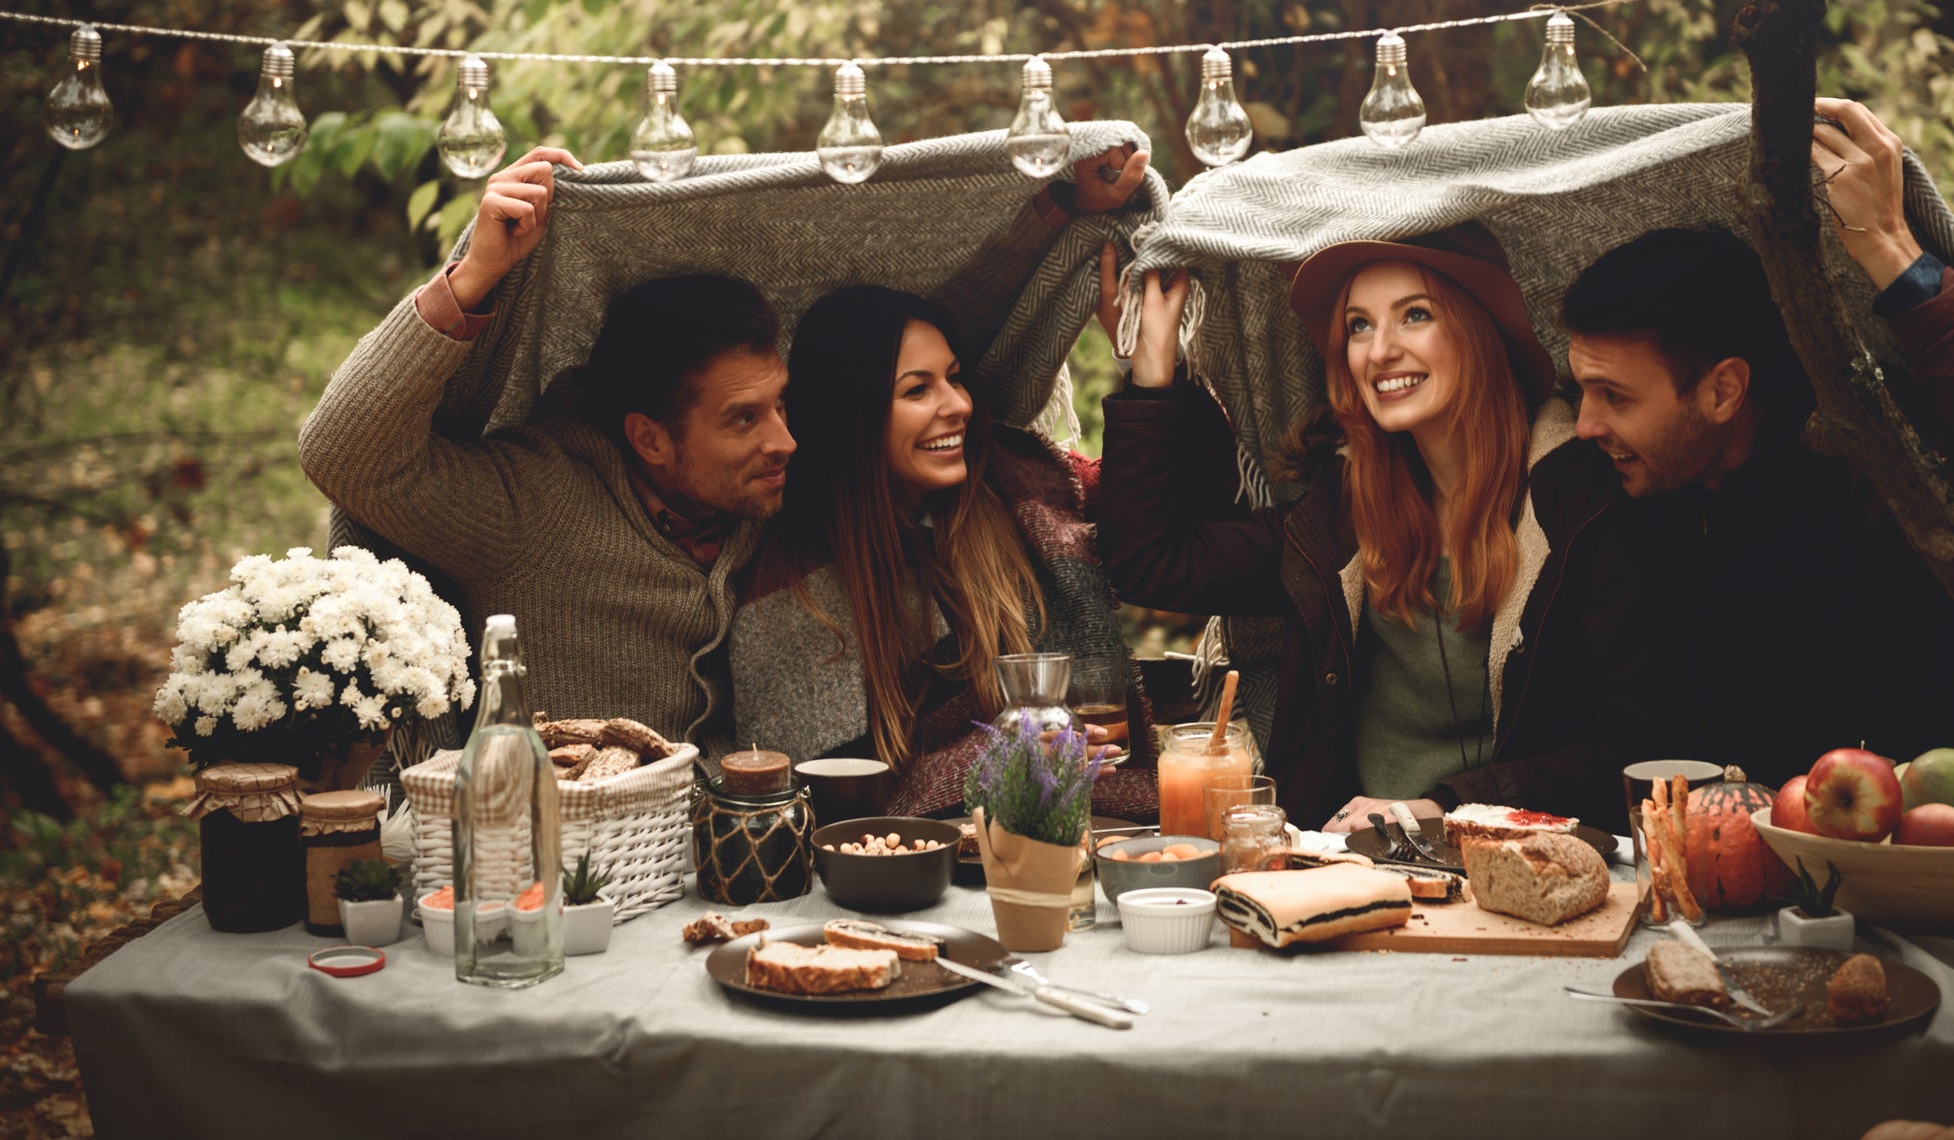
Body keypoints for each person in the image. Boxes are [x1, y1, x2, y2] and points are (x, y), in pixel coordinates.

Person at [300, 142, 1147, 747]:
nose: (786, 438)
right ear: (649, 439)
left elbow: (904, 344)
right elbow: (346, 455)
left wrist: (1055, 212)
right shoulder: (531, 502)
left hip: (734, 867)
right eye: (743, 419)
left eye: (781, 406)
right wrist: (474, 279)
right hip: (567, 863)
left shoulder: (773, 484)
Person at [1560, 96, 1954, 785]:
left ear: (1723, 390)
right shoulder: (1622, 490)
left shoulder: (1870, 456)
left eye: (1614, 396)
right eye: (1582, 390)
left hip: (1913, 853)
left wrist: (1886, 242)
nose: (1585, 425)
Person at [1098, 223, 1682, 832]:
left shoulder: (1585, 504)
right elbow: (1152, 560)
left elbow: (1633, 749)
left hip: (1524, 862)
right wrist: (1152, 373)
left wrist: (1445, 809)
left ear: (1480, 328)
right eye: (1359, 325)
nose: (1378, 351)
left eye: (1415, 315)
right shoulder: (1341, 514)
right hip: (1352, 864)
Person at [724, 284, 1159, 817]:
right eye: (917, 390)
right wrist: (998, 758)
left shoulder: (1024, 493)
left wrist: (1148, 373)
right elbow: (812, 804)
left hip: (1085, 835)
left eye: (954, 378)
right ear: (850, 416)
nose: (959, 406)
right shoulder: (793, 593)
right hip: (896, 873)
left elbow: (1152, 513)